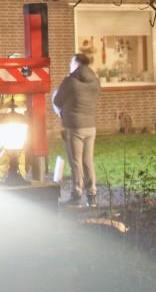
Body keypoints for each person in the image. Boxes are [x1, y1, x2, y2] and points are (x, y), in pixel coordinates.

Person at [53, 51, 101, 205]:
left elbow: (58, 100)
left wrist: (61, 110)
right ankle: (92, 195)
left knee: (76, 162)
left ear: (77, 64)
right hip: (90, 126)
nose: (69, 66)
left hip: (74, 127)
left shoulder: (70, 81)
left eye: (71, 63)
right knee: (88, 161)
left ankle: (77, 193)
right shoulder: (95, 81)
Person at [0, 52, 29, 185]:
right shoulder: (27, 85)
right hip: (14, 129)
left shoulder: (3, 85)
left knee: (2, 156)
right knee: (15, 155)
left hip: (4, 128)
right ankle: (15, 178)